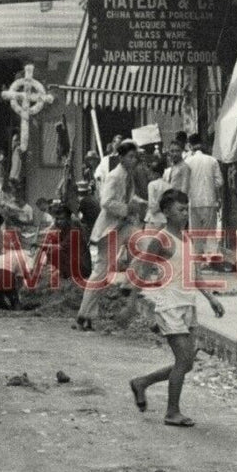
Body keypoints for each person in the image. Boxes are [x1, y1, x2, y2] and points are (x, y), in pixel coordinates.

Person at [126, 190, 225, 427]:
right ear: (167, 211)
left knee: (187, 362)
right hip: (168, 304)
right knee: (182, 359)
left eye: (186, 210)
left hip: (187, 303)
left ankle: (142, 382)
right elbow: (141, 270)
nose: (184, 214)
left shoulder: (186, 239)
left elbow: (194, 274)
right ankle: (172, 411)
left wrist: (210, 298)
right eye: (180, 210)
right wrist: (131, 303)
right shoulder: (160, 239)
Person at [77, 139, 142, 331]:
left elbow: (128, 199)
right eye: (130, 156)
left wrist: (136, 207)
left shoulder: (129, 176)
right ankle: (84, 314)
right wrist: (127, 208)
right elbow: (106, 202)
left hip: (123, 225)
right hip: (110, 228)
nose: (134, 160)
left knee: (146, 244)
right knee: (101, 272)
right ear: (121, 158)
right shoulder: (115, 176)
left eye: (135, 157)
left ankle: (128, 285)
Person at [183, 135, 224, 263]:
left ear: (190, 146)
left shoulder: (187, 162)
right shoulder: (212, 161)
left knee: (196, 233)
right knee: (210, 232)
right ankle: (211, 259)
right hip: (209, 200)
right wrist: (210, 185)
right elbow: (220, 182)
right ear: (203, 144)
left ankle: (198, 260)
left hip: (193, 201)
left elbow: (184, 183)